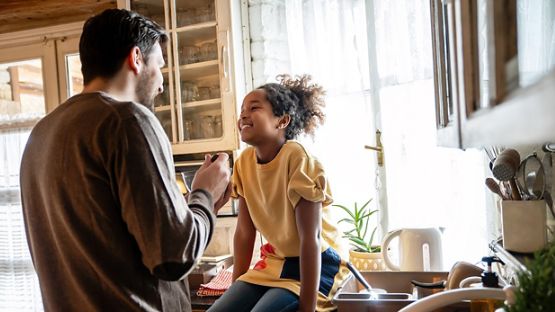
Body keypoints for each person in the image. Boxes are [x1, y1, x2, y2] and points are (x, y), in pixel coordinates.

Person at [19, 9, 231, 311]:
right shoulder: (128, 121)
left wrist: (197, 209)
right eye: (159, 66)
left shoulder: (41, 133)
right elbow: (174, 256)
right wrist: (205, 194)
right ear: (136, 58)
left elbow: (109, 238)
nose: (161, 84)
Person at [208, 75, 349, 312]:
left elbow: (310, 240)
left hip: (319, 264)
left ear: (282, 121)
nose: (243, 114)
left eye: (254, 108)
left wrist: (308, 308)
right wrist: (235, 291)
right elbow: (244, 233)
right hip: (275, 263)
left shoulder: (298, 159)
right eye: (242, 109)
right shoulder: (243, 163)